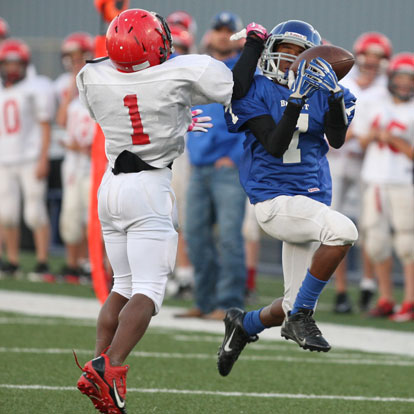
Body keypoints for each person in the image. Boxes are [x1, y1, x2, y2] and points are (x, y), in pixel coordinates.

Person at [73, 9, 265, 413]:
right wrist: (254, 43)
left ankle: (96, 363)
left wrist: (174, 124)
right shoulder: (182, 71)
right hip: (149, 188)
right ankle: (111, 368)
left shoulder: (91, 75)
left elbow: (125, 109)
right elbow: (240, 86)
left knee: (122, 286)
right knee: (148, 291)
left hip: (111, 187)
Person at [217, 20, 358, 377]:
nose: (289, 60)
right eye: (284, 52)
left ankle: (244, 325)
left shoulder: (325, 87)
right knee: (343, 231)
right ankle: (302, 318)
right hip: (274, 199)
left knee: (293, 299)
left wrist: (337, 96)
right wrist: (296, 100)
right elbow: (276, 145)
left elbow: (337, 139)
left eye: (299, 54)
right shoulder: (255, 90)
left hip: (311, 200)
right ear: (269, 53)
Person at [175, 11, 248, 320]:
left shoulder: (246, 70)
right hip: (199, 163)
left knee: (230, 236)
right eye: (218, 29)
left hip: (228, 166)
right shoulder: (199, 67)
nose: (222, 34)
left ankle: (229, 303)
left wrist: (234, 156)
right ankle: (204, 301)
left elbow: (253, 117)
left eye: (227, 30)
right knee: (195, 233)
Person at [328, 32, 393, 313]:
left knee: (369, 225)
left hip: (369, 162)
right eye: (368, 55)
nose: (371, 62)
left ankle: (368, 284)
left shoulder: (388, 88)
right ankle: (340, 291)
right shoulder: (344, 79)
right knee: (332, 226)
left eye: (378, 57)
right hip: (336, 157)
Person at [353, 52, 414, 321]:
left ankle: (410, 301)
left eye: (409, 79)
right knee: (375, 242)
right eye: (400, 78)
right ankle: (387, 298)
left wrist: (396, 141)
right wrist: (374, 135)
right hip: (374, 179)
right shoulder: (374, 103)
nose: (404, 84)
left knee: (407, 243)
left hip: (404, 180)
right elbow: (360, 142)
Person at [0, 38, 54, 279]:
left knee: (35, 213)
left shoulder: (36, 86)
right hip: (5, 158)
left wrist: (43, 157)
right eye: (7, 63)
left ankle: (42, 261)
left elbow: (45, 125)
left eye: (16, 63)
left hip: (30, 157)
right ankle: (12, 261)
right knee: (7, 213)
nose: (12, 69)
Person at [56, 32, 96, 283]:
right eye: (71, 58)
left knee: (92, 216)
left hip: (93, 162)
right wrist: (73, 82)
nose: (76, 62)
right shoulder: (65, 85)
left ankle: (91, 264)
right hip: (73, 164)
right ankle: (73, 264)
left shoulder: (98, 81)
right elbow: (60, 120)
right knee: (71, 214)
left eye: (80, 58)